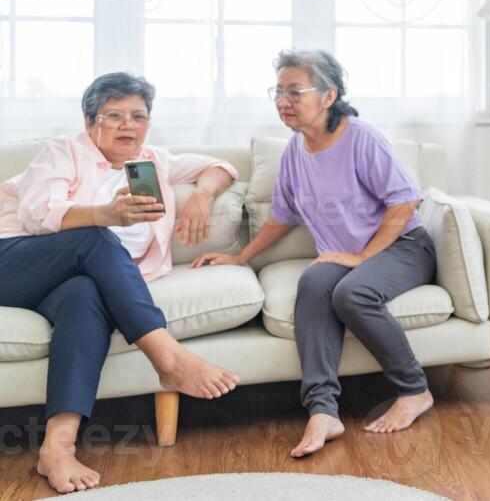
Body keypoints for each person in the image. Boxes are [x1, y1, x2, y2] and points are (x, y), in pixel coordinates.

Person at [0, 72, 241, 494]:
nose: (128, 125)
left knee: (85, 295)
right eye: (115, 115)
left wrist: (202, 195)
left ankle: (57, 447)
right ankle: (167, 358)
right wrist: (104, 215)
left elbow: (221, 166)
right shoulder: (63, 152)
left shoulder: (150, 162)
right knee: (96, 237)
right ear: (91, 120)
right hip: (13, 260)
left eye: (138, 116)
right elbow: (39, 215)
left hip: (70, 279)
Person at [193, 49, 436, 459]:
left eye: (294, 91)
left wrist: (362, 258)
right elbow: (282, 217)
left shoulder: (361, 138)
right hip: (343, 256)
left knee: (351, 293)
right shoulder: (295, 151)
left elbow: (404, 202)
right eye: (278, 91)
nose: (282, 101)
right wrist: (239, 258)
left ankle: (415, 390)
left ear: (328, 96)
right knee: (314, 282)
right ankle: (323, 411)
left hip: (403, 247)